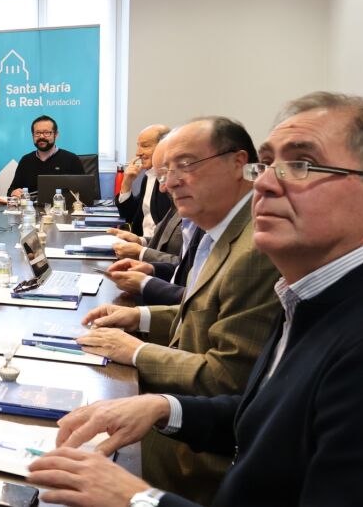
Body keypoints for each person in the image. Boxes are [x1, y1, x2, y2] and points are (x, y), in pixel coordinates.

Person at [27, 91, 363, 507]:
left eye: (301, 165)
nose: (265, 183)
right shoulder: (304, 294)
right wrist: (163, 408)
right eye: (266, 165)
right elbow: (258, 417)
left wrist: (138, 499)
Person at [75, 117, 282, 503]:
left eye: (184, 166)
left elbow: (226, 379)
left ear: (238, 163)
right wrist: (139, 316)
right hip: (177, 414)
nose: (169, 183)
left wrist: (136, 351)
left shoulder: (255, 248)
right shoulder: (222, 230)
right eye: (166, 171)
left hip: (198, 456)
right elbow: (201, 311)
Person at [115, 125, 173, 238]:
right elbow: (129, 215)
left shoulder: (171, 181)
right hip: (142, 242)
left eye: (145, 146)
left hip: (155, 246)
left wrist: (142, 244)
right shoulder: (149, 176)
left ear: (164, 147)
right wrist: (126, 184)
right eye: (138, 146)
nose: (138, 153)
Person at [9, 115, 86, 196]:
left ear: (56, 134)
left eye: (46, 133)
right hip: (31, 204)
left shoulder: (72, 159)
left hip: (61, 204)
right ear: (32, 135)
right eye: (37, 133)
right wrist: (13, 192)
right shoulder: (26, 161)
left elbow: (84, 192)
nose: (41, 136)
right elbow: (12, 189)